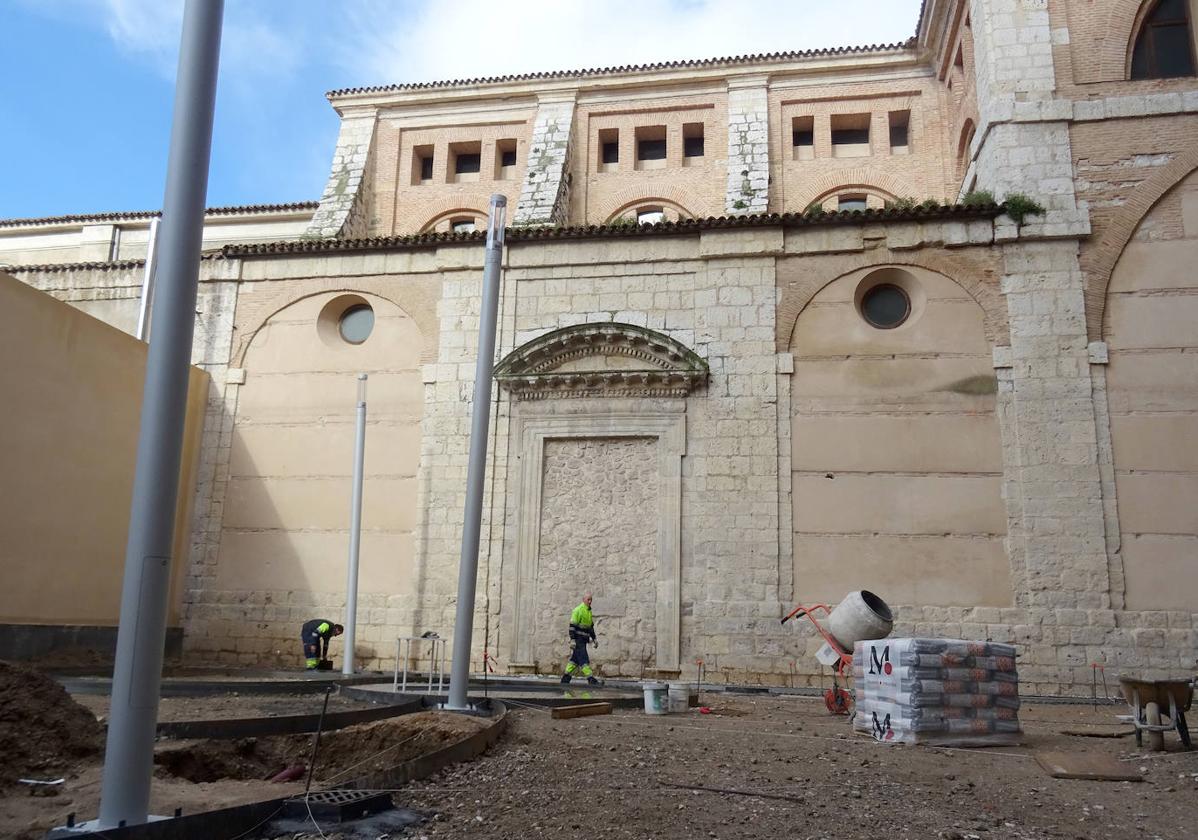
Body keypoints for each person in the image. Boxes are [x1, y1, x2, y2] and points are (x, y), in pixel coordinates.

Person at [561, 594, 600, 685]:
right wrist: (573, 639)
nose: (590, 601)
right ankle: (591, 678)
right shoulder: (578, 610)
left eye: (591, 600)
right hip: (578, 640)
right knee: (584, 659)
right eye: (588, 599)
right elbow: (572, 626)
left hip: (583, 640)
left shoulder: (589, 611)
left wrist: (594, 638)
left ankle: (566, 677)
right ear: (583, 600)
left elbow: (590, 628)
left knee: (574, 660)